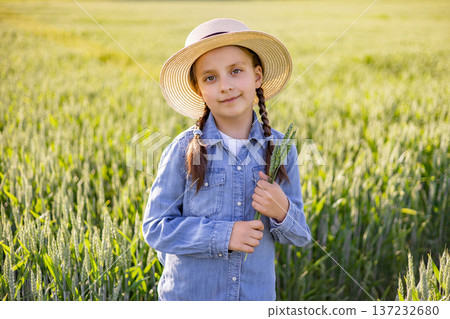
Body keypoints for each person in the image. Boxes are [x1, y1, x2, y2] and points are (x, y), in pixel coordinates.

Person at [142, 18, 312, 301]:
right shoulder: (183, 149)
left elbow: (301, 237)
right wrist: (224, 235)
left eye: (236, 71)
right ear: (199, 89)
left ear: (257, 76)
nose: (225, 85)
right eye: (210, 77)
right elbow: (156, 228)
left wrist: (282, 210)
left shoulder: (281, 149)